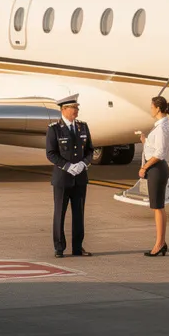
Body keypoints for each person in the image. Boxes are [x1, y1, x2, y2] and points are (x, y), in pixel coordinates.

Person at [45, 95, 93, 258]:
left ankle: (78, 247)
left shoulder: (83, 127)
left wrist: (83, 164)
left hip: (80, 177)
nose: (77, 111)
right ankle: (59, 247)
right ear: (64, 110)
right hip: (62, 178)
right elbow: (51, 153)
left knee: (79, 214)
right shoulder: (54, 129)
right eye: (74, 108)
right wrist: (67, 166)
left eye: (77, 108)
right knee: (60, 213)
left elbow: (90, 150)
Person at [137, 96, 169, 256]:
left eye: (152, 107)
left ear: (158, 108)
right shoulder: (164, 126)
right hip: (158, 168)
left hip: (156, 168)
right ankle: (161, 242)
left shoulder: (161, 128)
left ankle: (159, 244)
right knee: (158, 207)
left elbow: (159, 153)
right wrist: (146, 140)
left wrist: (144, 167)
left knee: (158, 207)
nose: (150, 109)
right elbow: (161, 147)